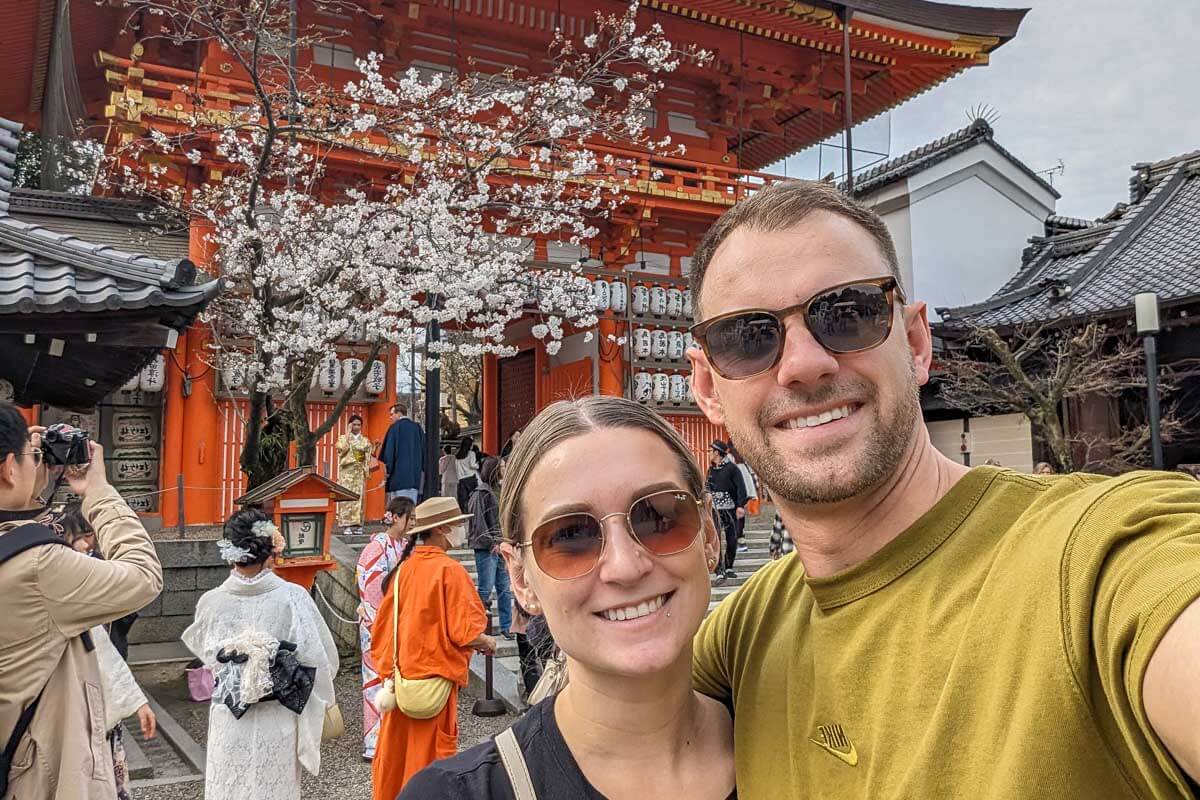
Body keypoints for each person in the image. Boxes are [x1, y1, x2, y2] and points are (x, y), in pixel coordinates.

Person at [685, 179, 1200, 797]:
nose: (804, 364)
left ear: (915, 343)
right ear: (708, 389)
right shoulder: (741, 635)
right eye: (747, 338)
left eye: (847, 314)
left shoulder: (1101, 557)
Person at [400, 396, 734, 800]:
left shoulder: (792, 741)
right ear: (520, 577)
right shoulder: (454, 794)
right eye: (571, 535)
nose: (625, 566)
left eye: (658, 517)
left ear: (709, 534)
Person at [0, 404, 163, 799]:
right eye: (30, 456)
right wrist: (98, 491)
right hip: (37, 777)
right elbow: (143, 576)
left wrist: (29, 470)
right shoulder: (38, 566)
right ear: (8, 468)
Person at [182, 508, 339, 800]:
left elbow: (209, 657)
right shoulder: (293, 597)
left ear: (230, 554)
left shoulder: (211, 602)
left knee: (229, 789)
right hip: (278, 719)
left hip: (230, 716)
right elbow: (321, 662)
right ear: (272, 551)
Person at [370, 496, 497, 798]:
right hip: (433, 686)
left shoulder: (403, 570)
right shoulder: (449, 570)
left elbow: (382, 630)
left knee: (396, 759)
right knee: (430, 763)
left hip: (401, 683)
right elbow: (466, 632)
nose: (461, 530)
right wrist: (488, 642)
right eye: (457, 524)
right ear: (441, 529)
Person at [356, 496, 415, 761]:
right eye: (410, 518)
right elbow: (371, 589)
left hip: (398, 620)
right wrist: (386, 618)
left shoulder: (405, 546)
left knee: (395, 679)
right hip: (377, 622)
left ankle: (394, 737)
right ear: (396, 517)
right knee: (375, 679)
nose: (413, 523)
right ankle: (374, 742)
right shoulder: (376, 547)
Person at [58, 503, 140, 660]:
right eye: (78, 536)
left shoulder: (106, 564)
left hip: (109, 640)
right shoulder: (56, 565)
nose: (84, 543)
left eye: (88, 534)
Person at [468, 457, 512, 638]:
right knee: (485, 588)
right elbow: (478, 521)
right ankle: (479, 626)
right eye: (501, 466)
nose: (504, 469)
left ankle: (507, 626)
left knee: (504, 588)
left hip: (502, 544)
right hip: (487, 547)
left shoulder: (501, 490)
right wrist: (491, 543)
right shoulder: (481, 493)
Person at [705, 440, 747, 582]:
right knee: (715, 539)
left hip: (730, 509)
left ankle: (729, 567)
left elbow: (741, 487)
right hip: (714, 511)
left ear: (717, 453)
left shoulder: (732, 469)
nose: (709, 454)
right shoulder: (711, 470)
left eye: (710, 451)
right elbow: (706, 488)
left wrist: (740, 505)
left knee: (732, 539)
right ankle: (719, 570)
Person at [379, 403, 425, 504]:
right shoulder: (417, 428)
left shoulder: (394, 428)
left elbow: (389, 453)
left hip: (397, 477)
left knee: (397, 506)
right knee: (411, 505)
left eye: (392, 414)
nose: (390, 417)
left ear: (399, 413)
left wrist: (388, 471)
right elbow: (424, 452)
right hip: (414, 476)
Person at [336, 414, 374, 534]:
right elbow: (341, 449)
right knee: (347, 497)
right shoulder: (343, 438)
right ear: (350, 425)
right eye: (354, 425)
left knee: (360, 498)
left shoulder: (365, 440)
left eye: (358, 425)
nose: (356, 427)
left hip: (359, 472)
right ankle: (346, 525)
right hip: (347, 472)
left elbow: (368, 456)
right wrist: (347, 433)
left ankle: (358, 525)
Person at [728, 444, 758, 552]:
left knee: (734, 516)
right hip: (745, 490)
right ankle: (741, 539)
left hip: (734, 489)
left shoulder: (729, 458)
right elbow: (752, 473)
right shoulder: (744, 458)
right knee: (740, 515)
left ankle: (738, 539)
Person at [453, 435, 479, 512]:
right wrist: (478, 465)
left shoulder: (457, 455)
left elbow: (456, 468)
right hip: (471, 478)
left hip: (461, 479)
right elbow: (472, 465)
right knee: (473, 497)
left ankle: (464, 512)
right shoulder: (471, 453)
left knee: (463, 499)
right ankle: (472, 512)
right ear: (469, 445)